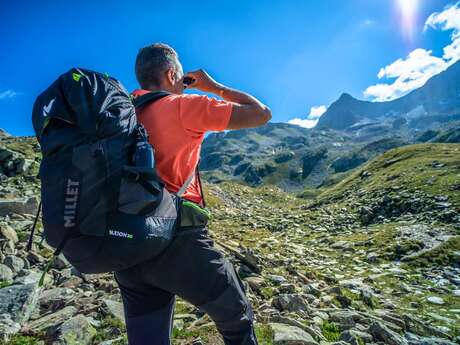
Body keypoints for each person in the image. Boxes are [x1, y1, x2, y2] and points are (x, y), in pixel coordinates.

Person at [114, 43, 271, 345]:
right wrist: (215, 87)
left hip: (126, 249)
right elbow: (261, 114)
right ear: (172, 73)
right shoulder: (184, 106)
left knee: (148, 338)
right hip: (175, 240)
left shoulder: (123, 113)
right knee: (237, 318)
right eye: (182, 79)